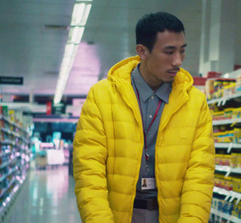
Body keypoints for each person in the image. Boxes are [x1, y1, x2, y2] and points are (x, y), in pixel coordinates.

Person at [73, 11, 215, 223]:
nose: (178, 61)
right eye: (169, 52)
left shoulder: (195, 102)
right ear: (142, 51)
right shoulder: (102, 97)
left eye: (182, 51)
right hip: (119, 215)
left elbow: (200, 174)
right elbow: (88, 171)